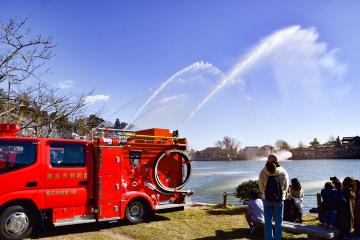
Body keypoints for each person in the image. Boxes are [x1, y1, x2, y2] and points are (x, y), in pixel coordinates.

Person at [259, 153, 289, 240]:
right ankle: (277, 238)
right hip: (279, 200)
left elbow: (261, 186)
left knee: (268, 222)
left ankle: (268, 238)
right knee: (279, 222)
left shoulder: (263, 172)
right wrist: (282, 194)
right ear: (278, 161)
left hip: (267, 199)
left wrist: (265, 193)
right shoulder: (283, 172)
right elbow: (286, 187)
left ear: (267, 161)